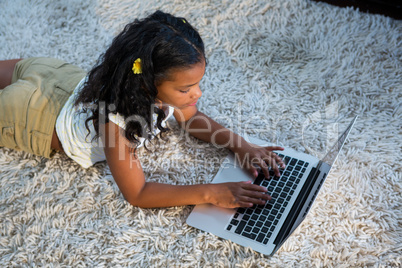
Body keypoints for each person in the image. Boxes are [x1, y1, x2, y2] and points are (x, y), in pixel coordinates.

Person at [0, 10, 285, 209]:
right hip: (32, 116)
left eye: (198, 83)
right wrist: (211, 193)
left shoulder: (146, 88)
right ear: (149, 84)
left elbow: (192, 118)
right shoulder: (117, 125)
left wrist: (240, 145)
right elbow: (138, 192)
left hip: (56, 75)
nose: (198, 94)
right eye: (186, 89)